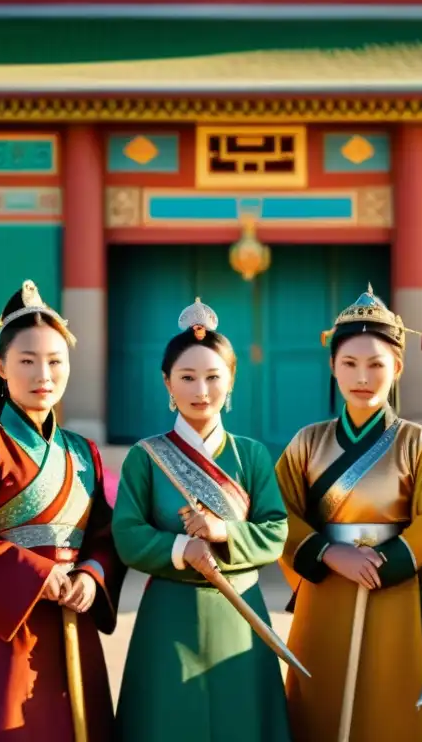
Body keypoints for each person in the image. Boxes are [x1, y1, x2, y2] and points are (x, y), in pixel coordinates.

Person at [0, 280, 126, 742]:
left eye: (56, 361)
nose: (44, 374)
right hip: (3, 624)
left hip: (73, 616)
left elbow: (104, 535)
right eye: (27, 361)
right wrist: (35, 575)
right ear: (1, 368)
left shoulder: (83, 453)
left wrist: (91, 575)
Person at [275, 285, 422, 742]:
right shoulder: (307, 442)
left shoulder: (419, 443)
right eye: (350, 364)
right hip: (327, 588)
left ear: (397, 367)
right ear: (333, 366)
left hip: (393, 585)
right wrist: (330, 554)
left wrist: (387, 562)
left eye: (377, 364)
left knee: (391, 699)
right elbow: (278, 513)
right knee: (323, 697)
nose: (363, 376)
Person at [111, 297, 293, 742]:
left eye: (214, 377)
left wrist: (221, 531)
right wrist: (180, 548)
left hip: (242, 611)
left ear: (231, 381)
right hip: (168, 616)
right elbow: (128, 534)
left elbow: (275, 530)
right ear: (167, 383)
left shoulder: (250, 454)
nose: (201, 390)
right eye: (187, 378)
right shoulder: (146, 456)